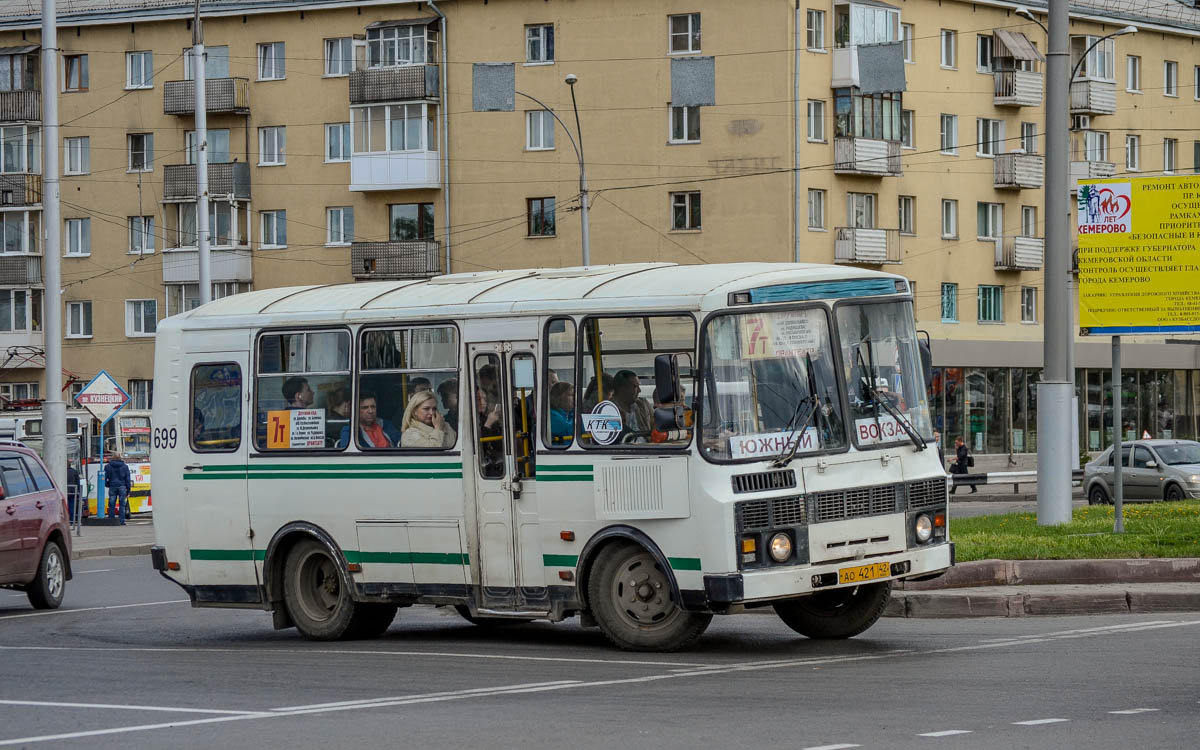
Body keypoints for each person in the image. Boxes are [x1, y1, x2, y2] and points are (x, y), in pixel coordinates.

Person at [338, 392, 402, 448]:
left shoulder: (386, 425)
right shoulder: (349, 430)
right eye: (365, 408)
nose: (370, 411)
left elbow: (400, 442)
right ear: (356, 410)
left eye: (373, 407)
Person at [611, 369, 653, 436]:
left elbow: (655, 426)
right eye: (635, 387)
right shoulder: (609, 409)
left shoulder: (643, 405)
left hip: (646, 445)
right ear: (622, 389)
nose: (640, 390)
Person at [476, 386, 504, 476]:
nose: (483, 402)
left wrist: (497, 423)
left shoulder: (486, 417)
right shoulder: (470, 422)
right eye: (479, 399)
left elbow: (499, 444)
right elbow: (479, 447)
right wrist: (488, 424)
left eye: (484, 398)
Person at [103, 452, 132, 524]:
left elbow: (105, 477)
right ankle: (121, 521)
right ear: (120, 457)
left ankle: (111, 520)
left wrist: (107, 484)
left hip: (112, 486)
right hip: (122, 486)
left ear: (112, 457)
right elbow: (127, 479)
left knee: (111, 504)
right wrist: (128, 490)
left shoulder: (108, 466)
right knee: (122, 504)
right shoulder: (125, 466)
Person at [548, 381, 575, 445]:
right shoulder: (551, 415)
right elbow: (569, 430)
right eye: (571, 395)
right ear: (559, 397)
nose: (575, 398)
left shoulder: (567, 414)